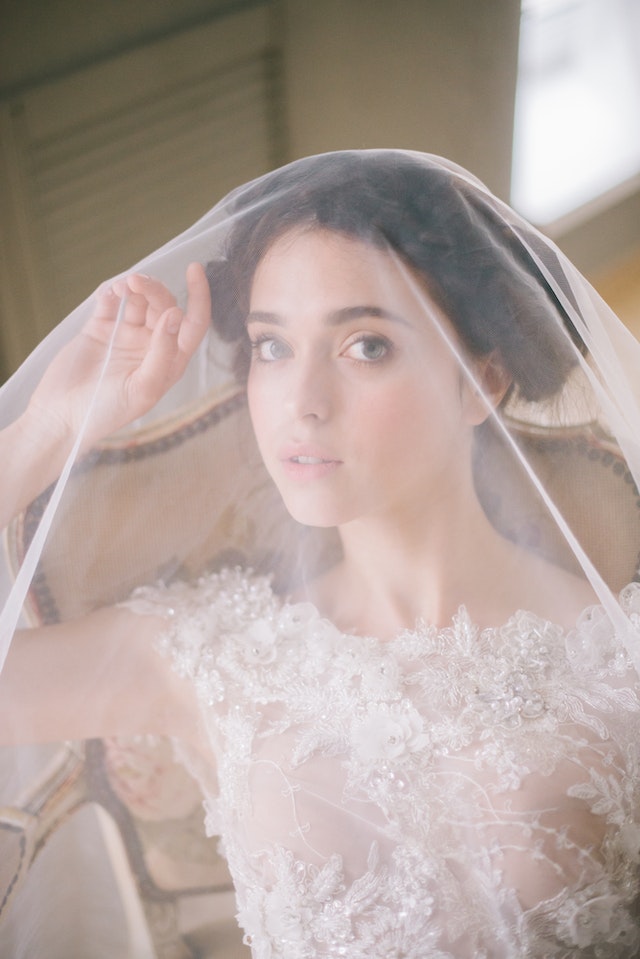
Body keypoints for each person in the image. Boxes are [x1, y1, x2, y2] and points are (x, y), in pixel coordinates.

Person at [0, 150, 639, 957]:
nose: (300, 404)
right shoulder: (207, 653)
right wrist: (50, 430)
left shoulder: (621, 658)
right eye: (272, 347)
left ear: (483, 379)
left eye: (364, 345)